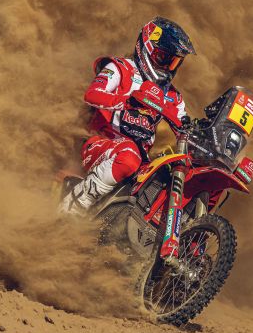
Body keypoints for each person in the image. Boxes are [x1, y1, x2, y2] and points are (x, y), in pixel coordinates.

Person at [59, 17, 195, 215]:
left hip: (140, 161)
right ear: (147, 48)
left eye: (174, 62)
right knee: (129, 156)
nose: (167, 67)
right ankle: (74, 205)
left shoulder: (173, 96)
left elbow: (185, 126)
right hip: (100, 144)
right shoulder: (120, 68)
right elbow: (92, 94)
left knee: (167, 177)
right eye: (163, 58)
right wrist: (126, 101)